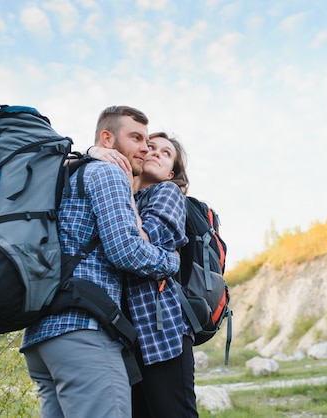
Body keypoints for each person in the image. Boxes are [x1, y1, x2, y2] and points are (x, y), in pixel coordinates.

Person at [20, 106, 180, 418]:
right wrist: (172, 261)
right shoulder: (108, 172)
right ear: (107, 138)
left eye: (147, 140)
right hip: (83, 332)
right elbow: (126, 250)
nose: (145, 147)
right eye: (136, 137)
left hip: (42, 337)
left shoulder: (67, 173)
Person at [90, 132, 198, 418]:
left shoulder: (167, 192)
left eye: (165, 153)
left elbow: (143, 242)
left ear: (171, 172)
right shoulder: (117, 189)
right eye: (150, 147)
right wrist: (94, 151)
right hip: (123, 334)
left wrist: (125, 190)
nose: (154, 153)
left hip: (160, 334)